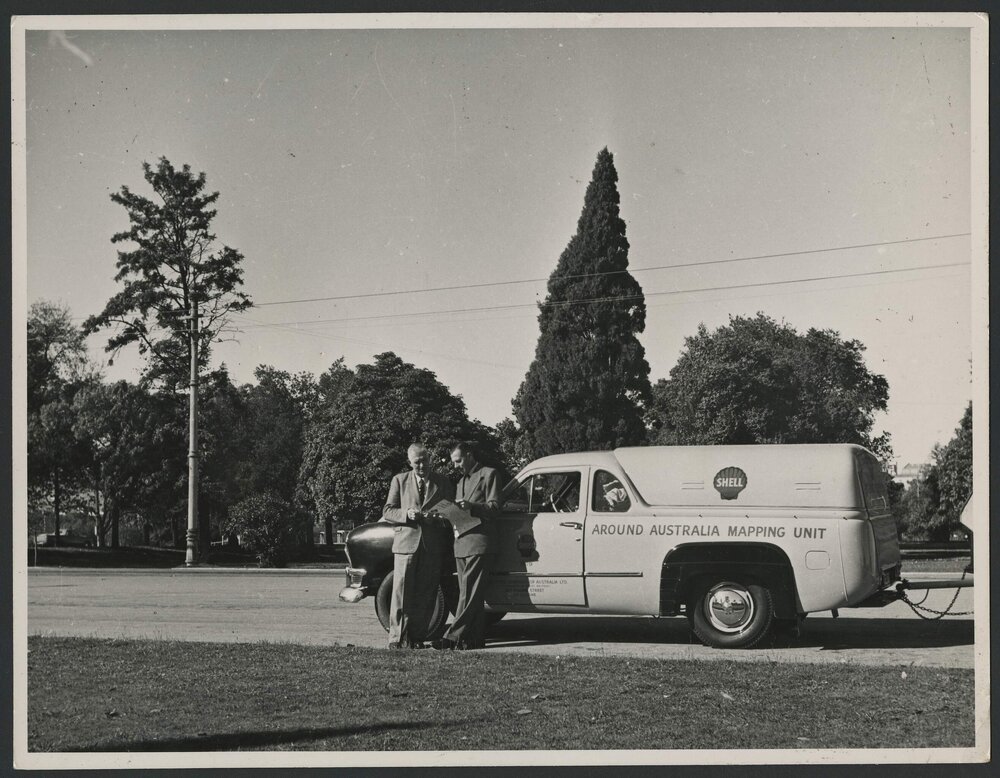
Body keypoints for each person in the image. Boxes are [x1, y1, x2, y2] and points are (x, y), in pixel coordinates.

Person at [382, 443, 454, 649]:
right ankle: (397, 638)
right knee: (401, 593)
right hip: (406, 545)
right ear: (410, 462)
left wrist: (438, 518)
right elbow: (388, 511)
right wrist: (406, 514)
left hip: (432, 546)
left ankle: (417, 638)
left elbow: (450, 513)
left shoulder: (443, 482)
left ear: (429, 458)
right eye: (417, 462)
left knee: (427, 593)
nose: (421, 465)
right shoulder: (399, 480)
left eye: (424, 460)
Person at [434, 441, 502, 650]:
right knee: (471, 594)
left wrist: (472, 506)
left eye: (459, 461)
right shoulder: (461, 481)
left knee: (469, 594)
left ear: (470, 455)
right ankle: (473, 639)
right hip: (461, 543)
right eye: (454, 462)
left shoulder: (489, 474)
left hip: (479, 542)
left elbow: (494, 507)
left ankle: (453, 636)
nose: (456, 466)